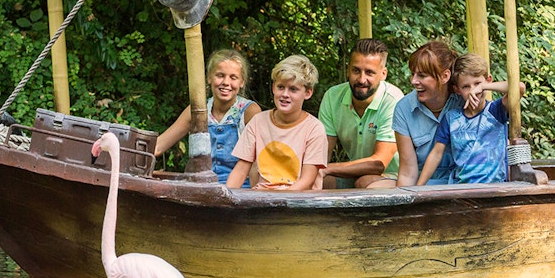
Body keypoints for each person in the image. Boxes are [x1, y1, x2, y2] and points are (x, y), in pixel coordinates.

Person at [416, 53, 526, 185]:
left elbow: (519, 88)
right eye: (466, 87)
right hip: (462, 187)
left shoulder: (495, 111)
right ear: (457, 90)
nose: (473, 91)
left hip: (494, 186)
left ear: (488, 80)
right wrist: (419, 187)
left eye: (477, 83)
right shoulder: (451, 118)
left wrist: (484, 86)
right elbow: (436, 154)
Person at [154, 49, 261, 184]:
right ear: (209, 77)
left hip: (239, 190)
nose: (226, 82)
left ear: (242, 82)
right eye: (220, 75)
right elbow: (159, 146)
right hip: (202, 186)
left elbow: (259, 161)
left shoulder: (249, 111)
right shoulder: (198, 110)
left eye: (233, 77)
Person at [225, 55, 327, 190]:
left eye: (293, 89)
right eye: (281, 87)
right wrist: (225, 199)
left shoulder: (314, 129)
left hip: (299, 202)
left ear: (308, 93)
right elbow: (241, 170)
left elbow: (307, 180)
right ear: (273, 88)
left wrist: (280, 204)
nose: (285, 94)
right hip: (262, 198)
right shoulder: (258, 122)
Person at [318, 39, 405, 189]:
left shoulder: (393, 100)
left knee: (364, 183)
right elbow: (321, 155)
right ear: (348, 70)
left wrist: (328, 169)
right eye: (356, 70)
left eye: (369, 72)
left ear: (383, 74)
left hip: (393, 177)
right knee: (315, 180)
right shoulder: (333, 97)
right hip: (352, 174)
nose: (361, 79)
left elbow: (379, 164)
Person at [394, 40, 463, 187]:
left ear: (445, 76)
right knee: (371, 187)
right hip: (424, 184)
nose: (414, 81)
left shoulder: (463, 100)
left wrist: (482, 87)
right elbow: (407, 172)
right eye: (413, 74)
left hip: (462, 183)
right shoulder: (404, 108)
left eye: (422, 75)